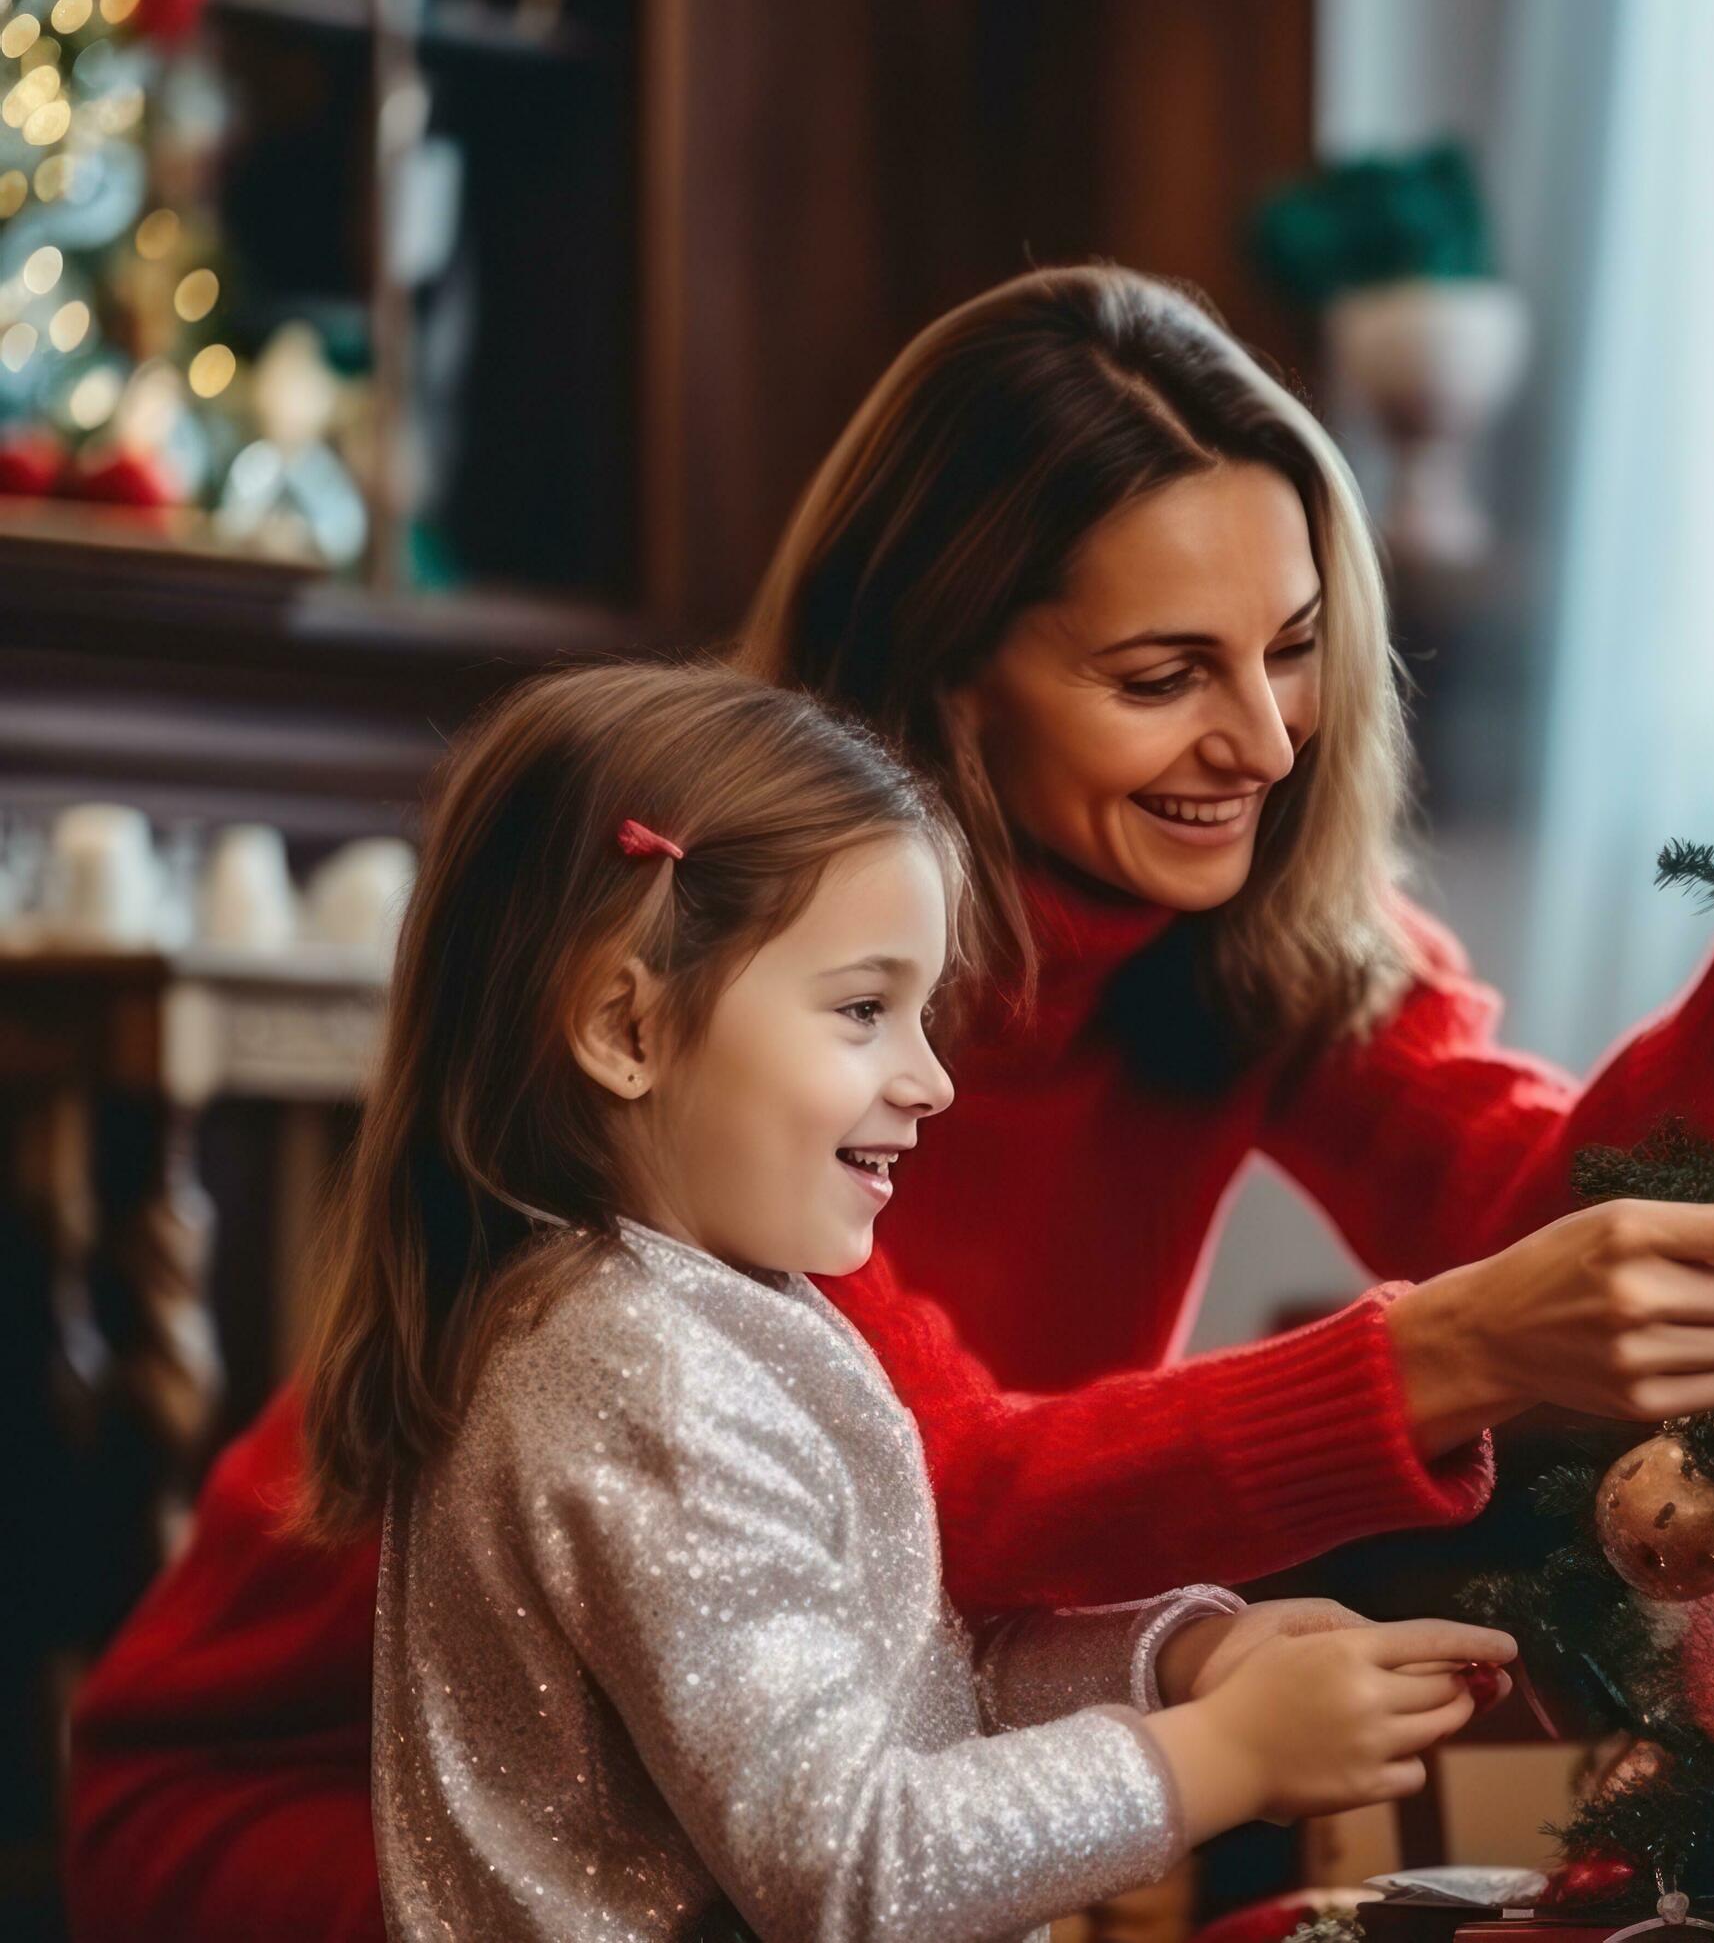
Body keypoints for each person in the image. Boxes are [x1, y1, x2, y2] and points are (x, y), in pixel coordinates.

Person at [65, 266, 1714, 1941]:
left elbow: (1550, 1208)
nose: (1265, 737)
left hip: (772, 1779)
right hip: (334, 1805)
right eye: (1162, 675)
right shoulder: (741, 1041)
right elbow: (933, 1503)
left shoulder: (1244, 938)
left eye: (1295, 646)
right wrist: (1434, 1371)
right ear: (946, 675)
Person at [319, 660, 1517, 1939]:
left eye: (923, 1012)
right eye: (862, 1010)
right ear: (625, 1026)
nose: (931, 1079)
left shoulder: (723, 1315)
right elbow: (853, 1869)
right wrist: (1224, 1756)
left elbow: (914, 1684)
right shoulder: (635, 1374)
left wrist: (1178, 1660)